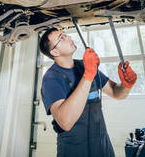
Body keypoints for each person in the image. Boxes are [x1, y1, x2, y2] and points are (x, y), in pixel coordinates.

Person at [39, 27, 137, 157]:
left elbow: (116, 93)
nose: (69, 38)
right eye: (61, 38)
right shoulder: (52, 78)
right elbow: (65, 122)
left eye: (65, 35)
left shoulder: (84, 66)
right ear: (55, 52)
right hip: (74, 151)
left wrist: (126, 85)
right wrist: (88, 75)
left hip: (102, 147)